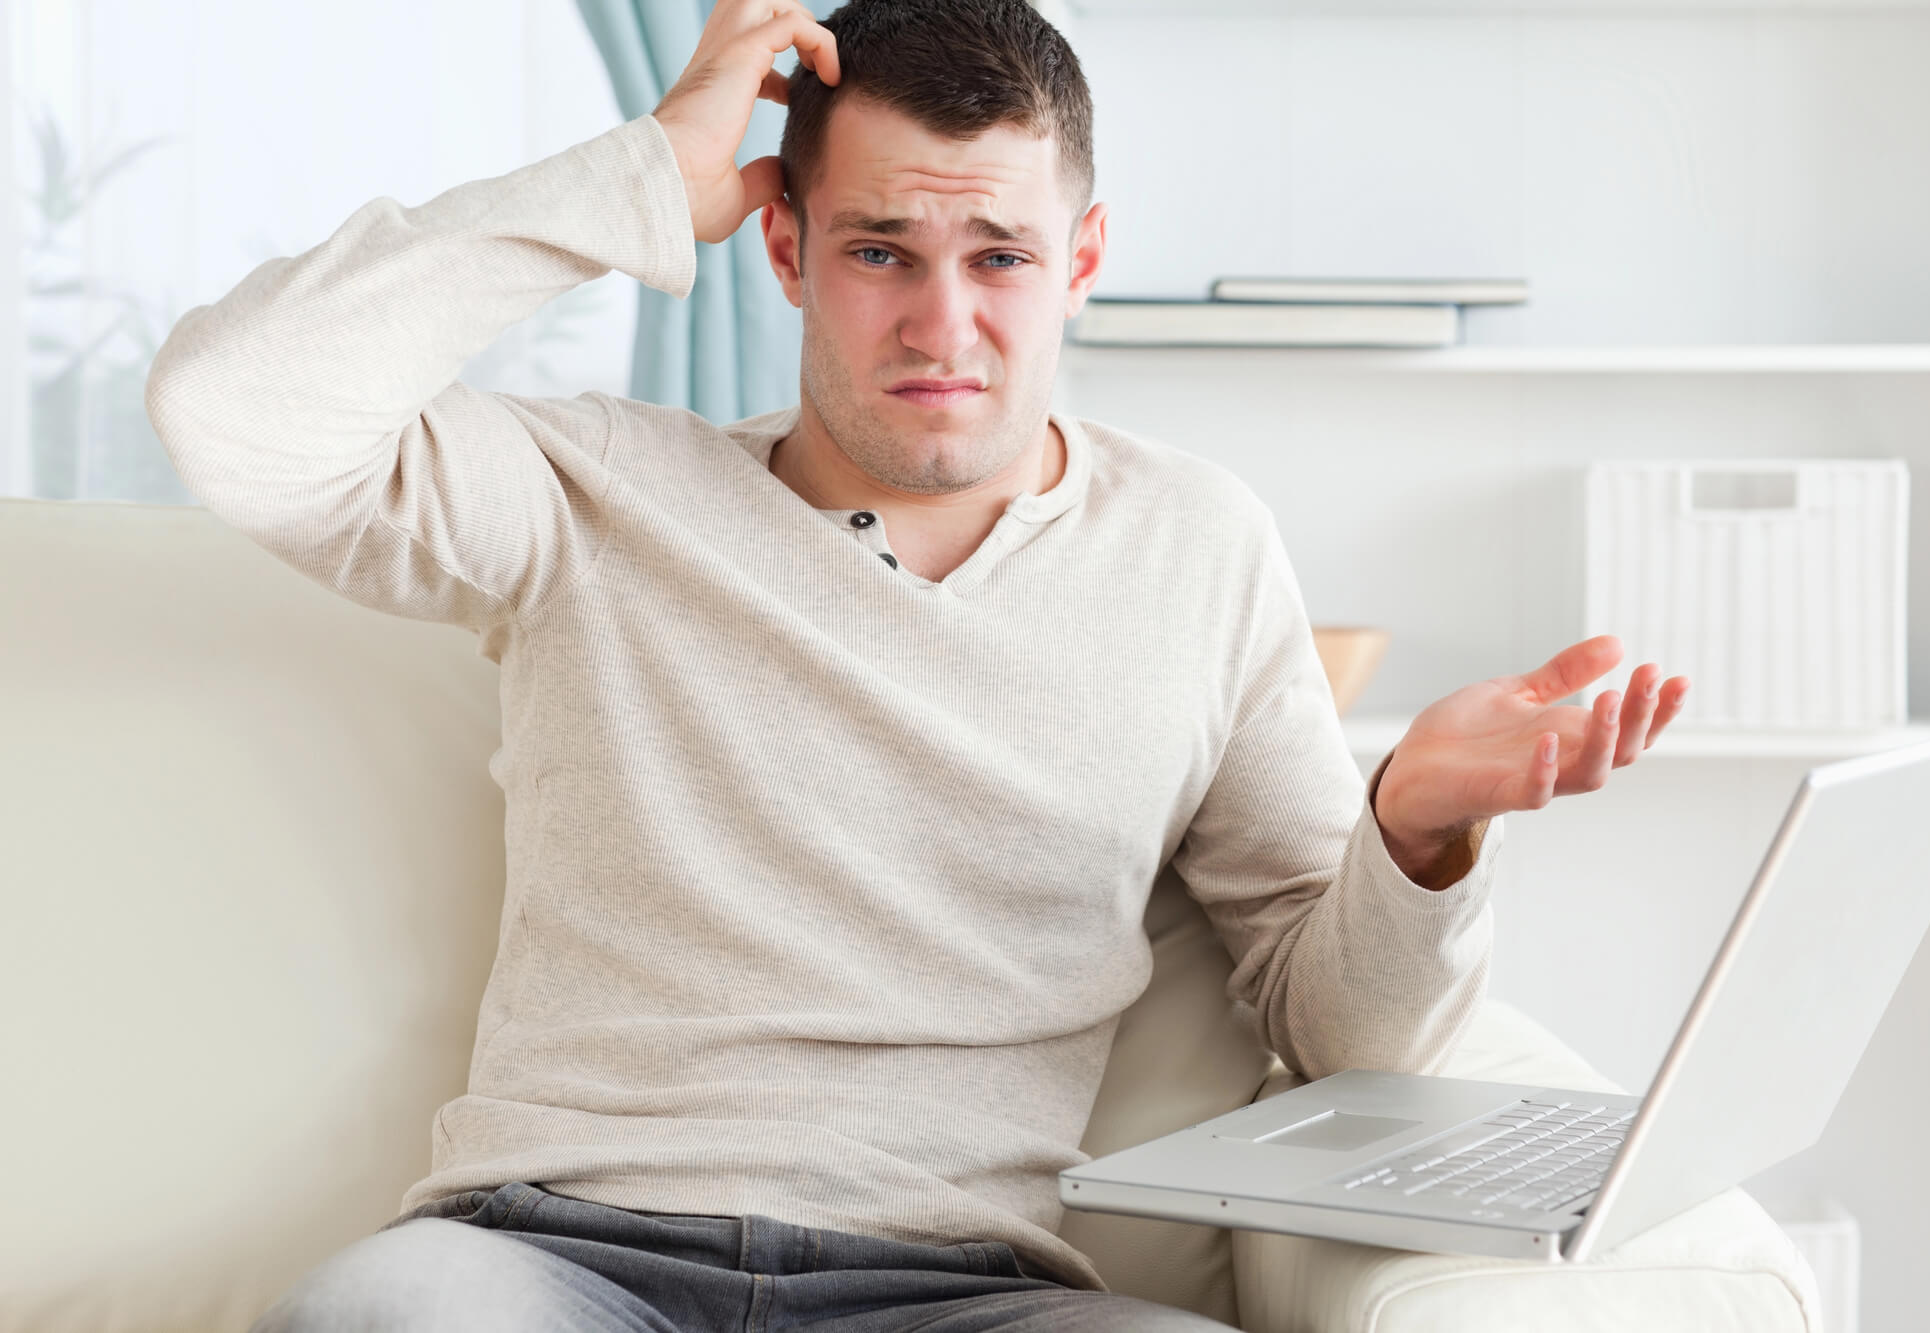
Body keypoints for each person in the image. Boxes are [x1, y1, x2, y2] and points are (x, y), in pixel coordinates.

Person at [145, 0, 1685, 1328]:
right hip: (549, 1264)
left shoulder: (1200, 547)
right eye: (883, 249)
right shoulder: (588, 496)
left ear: (1080, 259)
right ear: (786, 247)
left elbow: (1345, 1037)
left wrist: (1416, 830)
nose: (942, 325)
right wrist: (633, 178)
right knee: (370, 1318)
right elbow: (233, 408)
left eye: (999, 255)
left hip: (958, 1289)